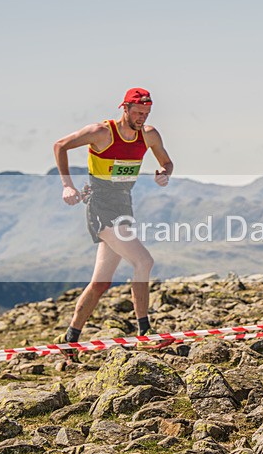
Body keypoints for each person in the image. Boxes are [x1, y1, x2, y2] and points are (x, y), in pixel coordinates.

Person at [53, 88, 173, 361]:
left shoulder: (150, 135)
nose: (142, 118)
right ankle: (144, 334)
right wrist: (67, 186)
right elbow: (60, 145)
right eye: (138, 113)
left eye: (147, 113)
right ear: (125, 108)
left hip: (124, 208)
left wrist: (164, 173)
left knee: (100, 283)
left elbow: (167, 161)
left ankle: (69, 339)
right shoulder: (101, 132)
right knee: (144, 261)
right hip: (100, 208)